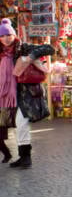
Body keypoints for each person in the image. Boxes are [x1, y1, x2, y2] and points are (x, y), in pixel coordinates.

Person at [0, 19, 52, 168]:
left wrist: (31, 57)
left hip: (24, 94)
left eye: (9, 35)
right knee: (17, 125)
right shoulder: (1, 53)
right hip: (6, 96)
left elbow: (49, 49)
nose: (6, 38)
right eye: (2, 36)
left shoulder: (22, 48)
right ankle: (21, 156)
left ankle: (26, 157)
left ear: (14, 35)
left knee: (21, 124)